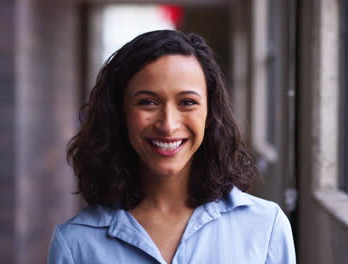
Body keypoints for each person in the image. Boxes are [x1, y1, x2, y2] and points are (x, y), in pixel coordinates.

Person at [48, 30, 296, 264]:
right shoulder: (75, 244)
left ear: (210, 112)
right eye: (147, 102)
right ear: (119, 113)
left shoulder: (266, 227)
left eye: (187, 102)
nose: (168, 125)